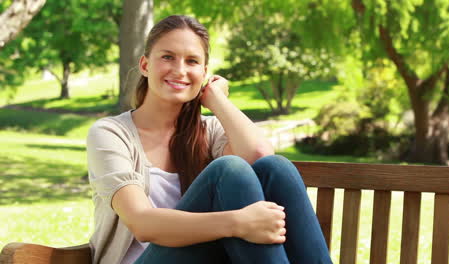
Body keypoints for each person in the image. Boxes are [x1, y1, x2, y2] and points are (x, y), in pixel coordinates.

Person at [86, 15, 332, 264]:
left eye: (192, 61)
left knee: (276, 168)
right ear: (145, 65)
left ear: (204, 72)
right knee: (229, 169)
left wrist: (217, 100)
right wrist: (237, 223)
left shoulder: (209, 130)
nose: (180, 70)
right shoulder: (110, 134)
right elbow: (143, 223)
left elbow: (260, 156)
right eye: (167, 57)